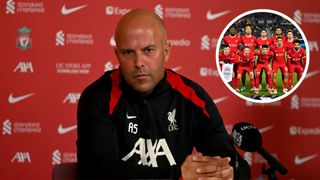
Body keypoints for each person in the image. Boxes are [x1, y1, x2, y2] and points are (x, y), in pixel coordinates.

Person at [77, 9, 249, 179]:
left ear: (166, 51)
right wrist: (178, 177)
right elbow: (98, 171)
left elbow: (234, 163)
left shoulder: (191, 97)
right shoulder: (98, 97)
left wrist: (228, 173)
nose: (138, 63)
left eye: (148, 50)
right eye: (128, 52)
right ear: (117, 55)